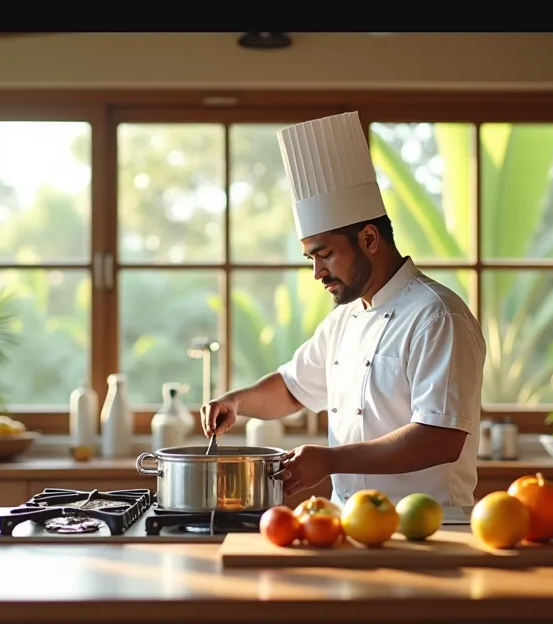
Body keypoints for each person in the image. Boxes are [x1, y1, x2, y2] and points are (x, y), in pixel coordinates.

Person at [200, 111, 487, 508]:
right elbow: (291, 389)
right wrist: (237, 402)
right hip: (348, 522)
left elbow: (440, 438)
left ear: (369, 238)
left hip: (427, 531)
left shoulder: (437, 316)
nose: (317, 272)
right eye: (310, 258)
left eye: (325, 255)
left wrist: (331, 459)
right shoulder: (344, 319)